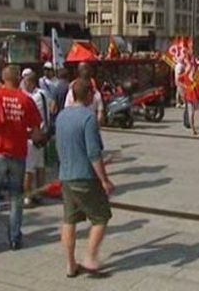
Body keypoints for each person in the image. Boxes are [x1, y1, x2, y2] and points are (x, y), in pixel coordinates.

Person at [0, 65, 44, 253]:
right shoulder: (26, 100)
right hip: (17, 154)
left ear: (2, 79)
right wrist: (30, 137)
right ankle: (14, 239)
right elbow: (37, 132)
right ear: (18, 80)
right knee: (16, 197)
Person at [56, 79, 113, 278]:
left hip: (66, 175)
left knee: (69, 220)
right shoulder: (88, 118)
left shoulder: (62, 116)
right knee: (101, 217)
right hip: (85, 177)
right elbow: (93, 153)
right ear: (89, 95)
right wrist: (104, 180)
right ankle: (90, 257)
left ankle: (70, 265)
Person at [22, 71, 54, 208]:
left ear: (29, 82)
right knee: (40, 166)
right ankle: (39, 193)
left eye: (25, 81)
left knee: (28, 169)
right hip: (43, 134)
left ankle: (27, 197)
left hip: (31, 136)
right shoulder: (43, 93)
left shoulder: (29, 98)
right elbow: (53, 106)